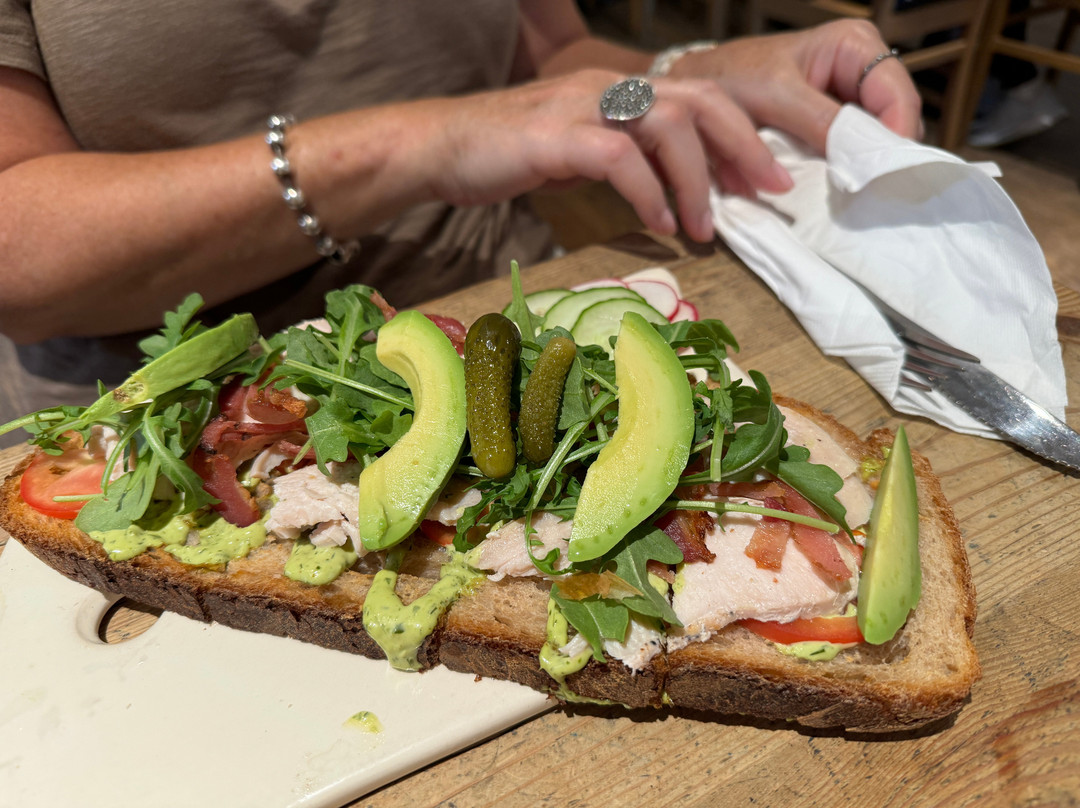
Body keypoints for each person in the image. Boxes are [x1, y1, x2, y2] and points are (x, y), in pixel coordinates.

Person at [0, 0, 921, 426]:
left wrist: (679, 76)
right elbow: (19, 257)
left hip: (513, 332)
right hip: (174, 412)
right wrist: (421, 144)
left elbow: (550, 60)